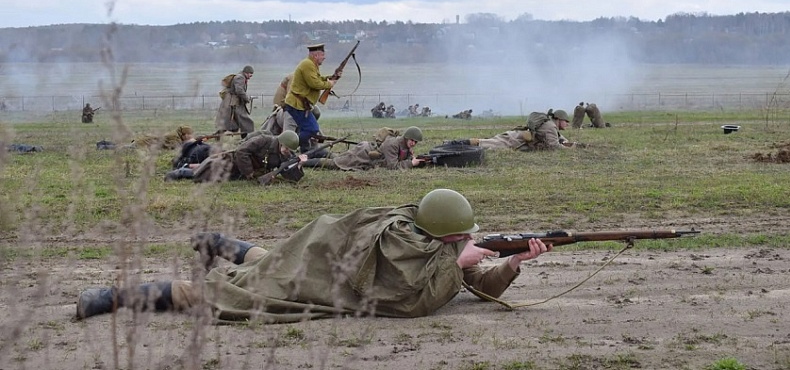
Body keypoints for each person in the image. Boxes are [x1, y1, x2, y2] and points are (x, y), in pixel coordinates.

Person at [75, 188, 550, 322]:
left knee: (271, 262)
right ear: (444, 236)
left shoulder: (441, 253)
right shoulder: (402, 243)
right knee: (225, 292)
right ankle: (108, 298)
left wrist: (512, 263)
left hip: (313, 265)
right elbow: (406, 296)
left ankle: (219, 243)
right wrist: (458, 260)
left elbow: (475, 284)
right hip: (322, 274)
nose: (464, 246)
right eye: (458, 241)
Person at [190, 130, 307, 183]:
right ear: (281, 142)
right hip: (231, 164)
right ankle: (182, 170)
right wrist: (249, 173)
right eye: (285, 148)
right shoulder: (263, 140)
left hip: (241, 174)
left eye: (289, 150)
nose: (286, 151)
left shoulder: (286, 154)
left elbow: (289, 176)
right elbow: (241, 151)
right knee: (202, 175)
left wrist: (299, 164)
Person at [283, 44, 339, 152]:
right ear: (316, 55)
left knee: (306, 129)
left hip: (301, 105)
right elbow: (315, 83)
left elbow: (317, 79)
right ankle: (288, 146)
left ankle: (305, 151)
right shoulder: (307, 64)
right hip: (297, 104)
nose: (324, 57)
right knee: (312, 129)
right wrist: (329, 84)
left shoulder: (311, 64)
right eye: (322, 55)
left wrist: (331, 78)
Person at [445, 109, 576, 151]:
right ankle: (454, 144)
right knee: (485, 144)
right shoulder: (551, 127)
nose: (567, 124)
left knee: (486, 143)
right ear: (559, 119)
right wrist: (570, 148)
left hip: (514, 137)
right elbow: (554, 146)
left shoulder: (549, 124)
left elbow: (559, 138)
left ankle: (455, 143)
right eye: (566, 121)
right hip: (513, 141)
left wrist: (570, 143)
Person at [303, 126, 426, 170]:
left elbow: (401, 159)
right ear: (406, 138)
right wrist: (411, 163)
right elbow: (392, 166)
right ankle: (303, 161)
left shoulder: (404, 146)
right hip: (363, 155)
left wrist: (412, 158)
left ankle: (313, 153)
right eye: (412, 140)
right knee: (335, 163)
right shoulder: (393, 144)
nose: (414, 143)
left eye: (416, 142)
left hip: (367, 156)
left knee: (338, 157)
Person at [215, 65, 256, 138]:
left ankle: (219, 135)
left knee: (235, 121)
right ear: (246, 73)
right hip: (233, 103)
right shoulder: (240, 78)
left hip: (234, 102)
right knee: (244, 121)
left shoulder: (241, 77)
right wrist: (246, 98)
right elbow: (239, 90)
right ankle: (244, 138)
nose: (251, 76)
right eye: (250, 74)